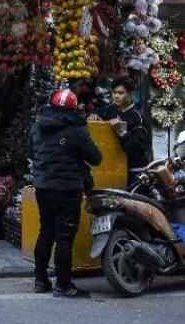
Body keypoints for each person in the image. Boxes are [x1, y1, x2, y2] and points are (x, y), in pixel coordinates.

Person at [31, 89, 102, 298]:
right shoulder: (77, 130)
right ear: (73, 110)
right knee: (64, 238)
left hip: (42, 187)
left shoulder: (37, 127)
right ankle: (63, 284)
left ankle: (40, 280)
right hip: (67, 190)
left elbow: (31, 153)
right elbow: (96, 158)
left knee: (46, 232)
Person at [88, 76, 150, 189]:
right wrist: (94, 116)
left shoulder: (138, 117)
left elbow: (139, 148)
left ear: (130, 94)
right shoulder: (108, 110)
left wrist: (121, 131)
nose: (116, 96)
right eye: (114, 92)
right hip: (112, 169)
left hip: (133, 171)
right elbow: (96, 115)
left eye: (121, 93)